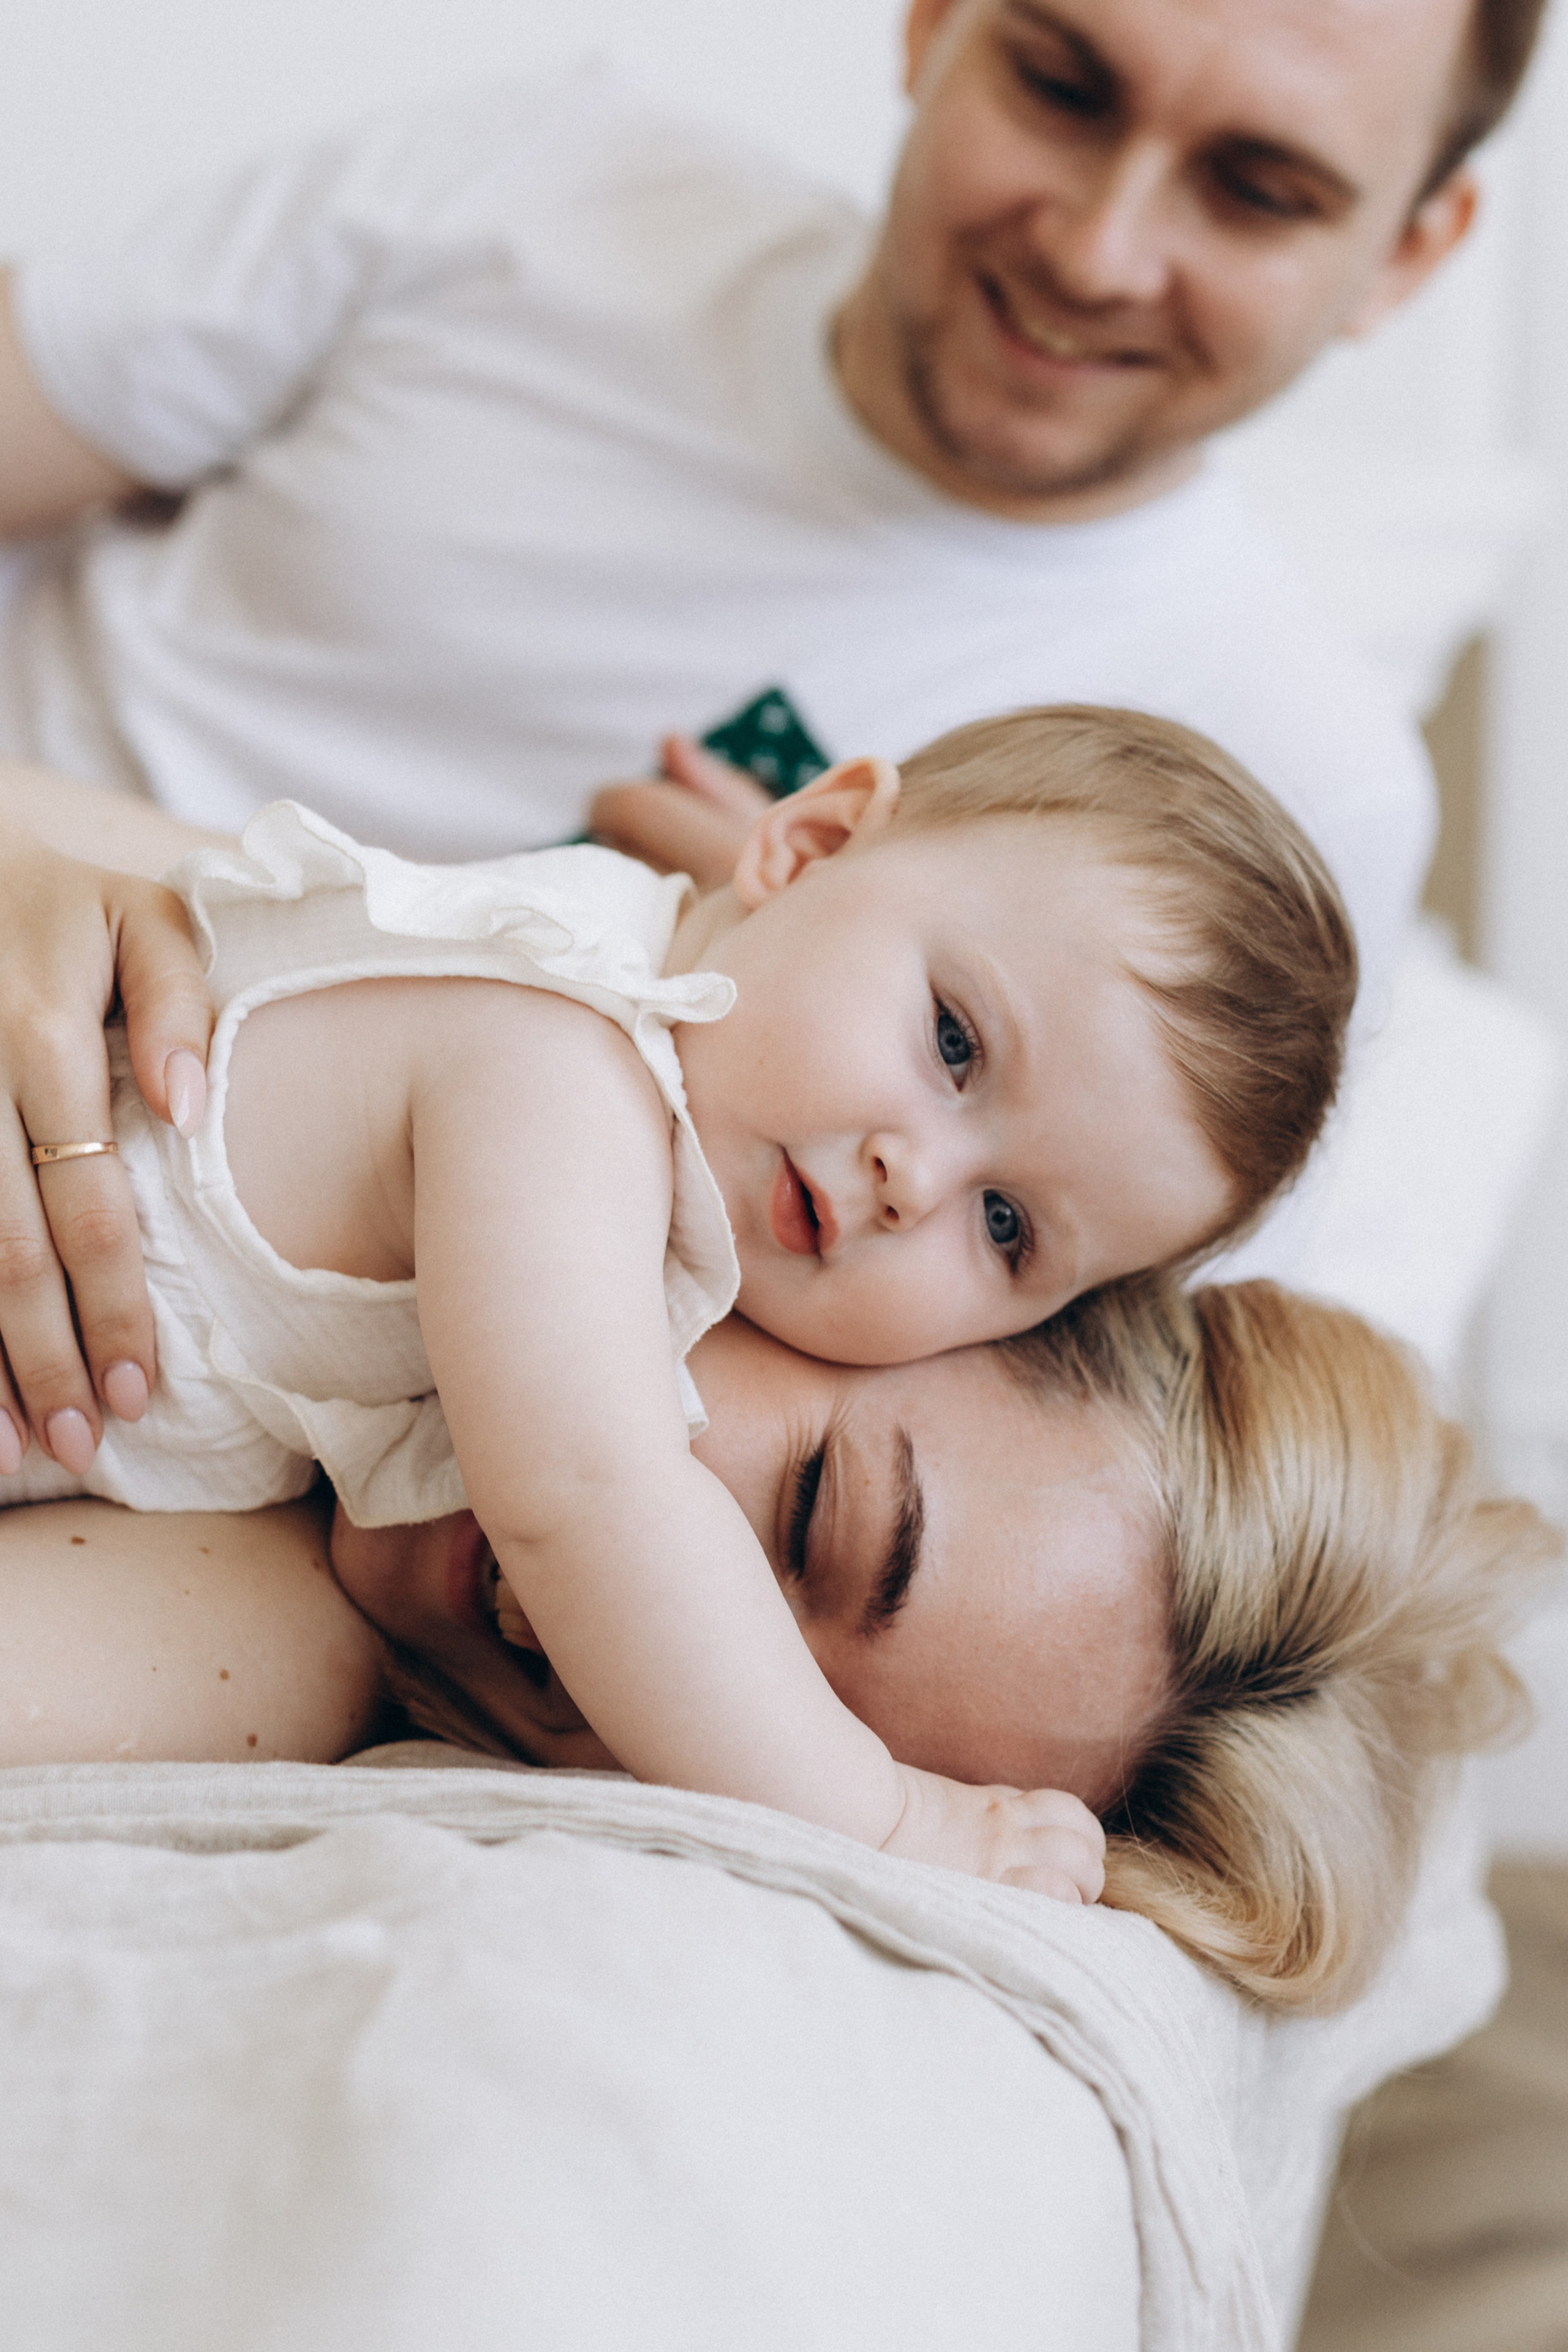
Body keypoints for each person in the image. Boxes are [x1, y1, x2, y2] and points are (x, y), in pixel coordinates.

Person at [0, 0, 1548, 1430]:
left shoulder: (1284, 800)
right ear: (932, 22)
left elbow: (1015, 1485)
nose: (1099, 248)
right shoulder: (548, 178)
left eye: (1256, 190)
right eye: (1063, 88)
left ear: (1410, 254)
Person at [0, 706, 1354, 1898]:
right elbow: (592, 1497)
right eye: (951, 1040)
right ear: (804, 845)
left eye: (1005, 1227)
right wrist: (876, 1813)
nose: (914, 1178)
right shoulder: (557, 1073)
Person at [3, 1276, 1551, 2013]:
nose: (634, 1642)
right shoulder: (477, 1039)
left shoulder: (277, 1638)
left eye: (775, 1744)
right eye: (815, 1512)